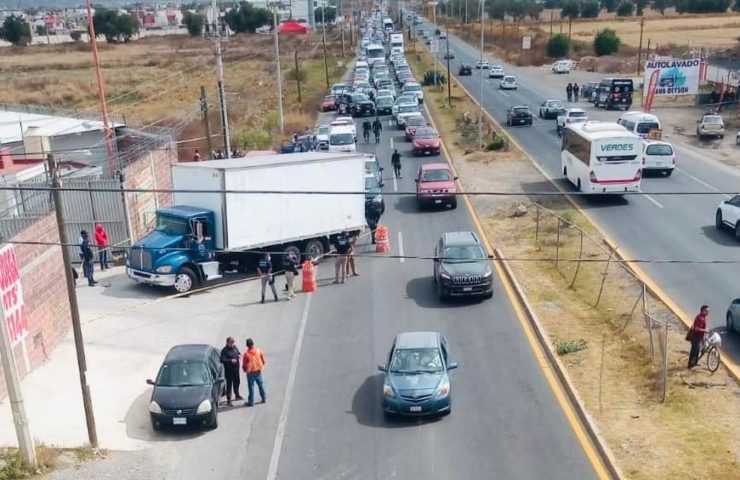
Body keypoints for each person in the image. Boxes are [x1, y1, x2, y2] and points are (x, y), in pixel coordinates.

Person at [242, 338, 266, 406]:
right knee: (261, 385)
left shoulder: (246, 354)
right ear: (253, 344)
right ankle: (264, 398)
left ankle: (251, 402)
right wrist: (261, 366)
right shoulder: (258, 350)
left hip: (250, 373)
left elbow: (244, 365)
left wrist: (245, 370)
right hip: (258, 371)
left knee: (251, 387)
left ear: (247, 345)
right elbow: (263, 360)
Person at [220, 337, 242, 405]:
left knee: (237, 383)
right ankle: (229, 400)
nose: (233, 344)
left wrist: (239, 355)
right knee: (229, 386)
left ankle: (237, 395)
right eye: (231, 343)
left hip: (236, 370)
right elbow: (222, 359)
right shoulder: (224, 350)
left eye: (233, 342)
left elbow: (238, 352)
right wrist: (230, 361)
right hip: (229, 372)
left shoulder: (235, 347)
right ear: (228, 343)